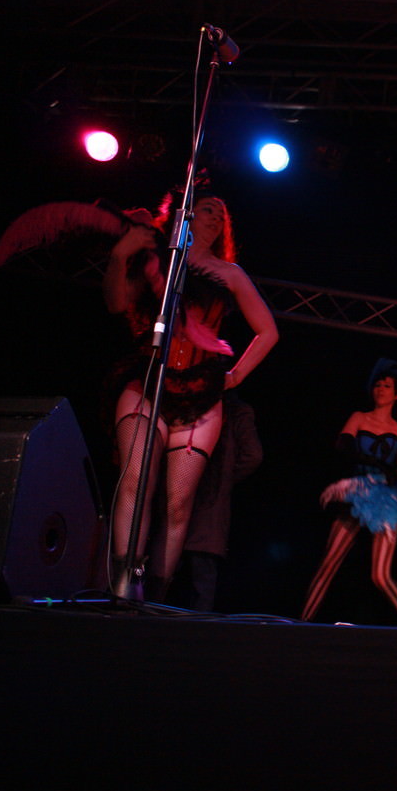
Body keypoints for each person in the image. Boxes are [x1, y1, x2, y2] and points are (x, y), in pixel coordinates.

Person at [104, 189, 278, 601]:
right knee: (135, 483)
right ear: (185, 215)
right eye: (207, 209)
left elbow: (268, 331)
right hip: (148, 383)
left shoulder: (229, 273)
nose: (216, 217)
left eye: (222, 214)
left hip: (200, 397)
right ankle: (126, 585)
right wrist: (119, 256)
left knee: (179, 503)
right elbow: (116, 304)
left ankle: (156, 593)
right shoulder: (157, 261)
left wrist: (235, 376)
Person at [301, 359, 397, 624]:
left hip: (385, 499)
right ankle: (302, 626)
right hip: (357, 494)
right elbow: (343, 447)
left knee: (381, 576)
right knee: (328, 564)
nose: (380, 389)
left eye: (386, 386)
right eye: (377, 385)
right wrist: (376, 465)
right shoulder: (359, 417)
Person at [176, 391, 264, 612]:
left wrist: (222, 478)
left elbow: (252, 456)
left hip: (193, 501)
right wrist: (223, 479)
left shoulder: (228, 408)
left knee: (169, 577)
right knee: (200, 584)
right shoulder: (233, 408)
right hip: (206, 506)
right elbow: (252, 455)